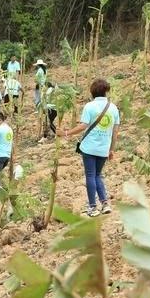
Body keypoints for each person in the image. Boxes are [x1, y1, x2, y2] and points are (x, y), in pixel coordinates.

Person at [59, 79, 119, 217]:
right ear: (106, 91)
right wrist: (111, 149)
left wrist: (66, 133)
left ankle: (93, 207)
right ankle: (104, 203)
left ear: (92, 92)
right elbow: (115, 131)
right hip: (103, 148)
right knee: (98, 175)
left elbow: (83, 126)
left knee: (91, 176)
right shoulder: (114, 108)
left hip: (89, 148)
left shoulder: (89, 107)